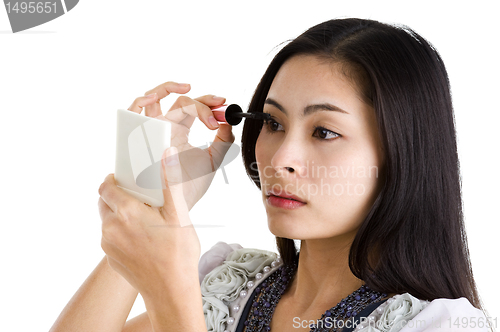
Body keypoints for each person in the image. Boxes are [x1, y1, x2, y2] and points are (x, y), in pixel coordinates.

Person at [50, 18, 492, 332]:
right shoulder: (229, 286)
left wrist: (170, 294)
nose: (281, 159)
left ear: (401, 155)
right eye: (274, 124)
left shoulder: (441, 326)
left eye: (324, 131)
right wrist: (149, 201)